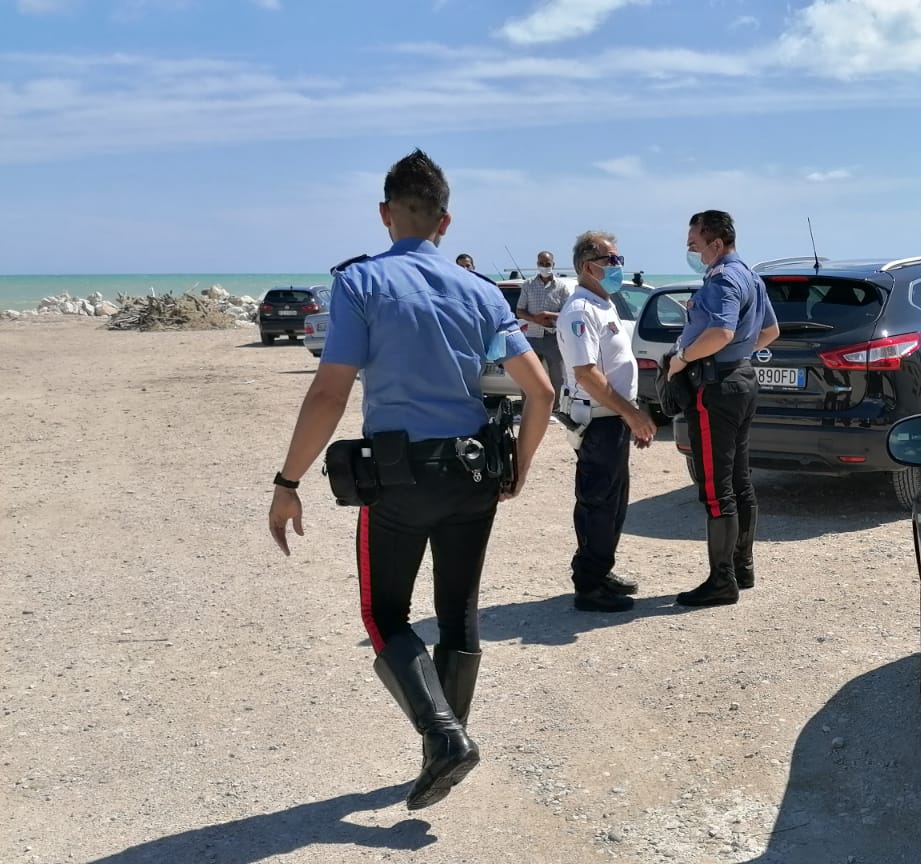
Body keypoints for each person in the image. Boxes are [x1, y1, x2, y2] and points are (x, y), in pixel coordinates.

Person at [266, 149, 557, 812]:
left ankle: (443, 738)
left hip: (399, 480)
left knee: (383, 614)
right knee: (457, 612)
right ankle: (446, 743)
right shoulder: (482, 291)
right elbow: (540, 392)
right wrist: (520, 467)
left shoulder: (361, 284)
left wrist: (288, 480)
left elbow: (329, 395)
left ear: (384, 214)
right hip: (474, 475)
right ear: (445, 222)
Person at [665, 209, 778, 606]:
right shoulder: (749, 275)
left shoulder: (724, 278)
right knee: (740, 480)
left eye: (694, 244)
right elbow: (770, 331)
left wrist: (684, 358)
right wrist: (738, 355)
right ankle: (742, 567)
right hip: (741, 379)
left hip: (716, 388)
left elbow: (721, 331)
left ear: (716, 243)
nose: (691, 250)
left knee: (717, 488)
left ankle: (722, 580)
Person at [555, 231, 657, 612]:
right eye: (611, 260)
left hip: (614, 418)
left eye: (618, 259)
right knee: (597, 502)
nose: (618, 266)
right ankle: (589, 585)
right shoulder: (581, 310)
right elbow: (587, 374)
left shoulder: (603, 303)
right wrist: (632, 414)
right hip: (597, 420)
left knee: (614, 504)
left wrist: (630, 415)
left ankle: (601, 568)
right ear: (588, 266)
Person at [516, 250, 574, 395]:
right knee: (529, 377)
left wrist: (549, 315)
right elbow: (520, 310)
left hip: (553, 338)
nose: (544, 266)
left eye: (547, 264)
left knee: (557, 378)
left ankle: (555, 411)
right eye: (541, 264)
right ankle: (528, 409)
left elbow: (567, 313)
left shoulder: (561, 287)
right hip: (532, 337)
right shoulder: (528, 285)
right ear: (537, 264)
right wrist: (534, 319)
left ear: (553, 264)